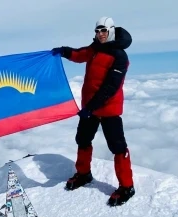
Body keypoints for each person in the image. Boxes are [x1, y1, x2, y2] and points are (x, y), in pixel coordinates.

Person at [52, 16, 135, 206]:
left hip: (108, 109)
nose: (100, 34)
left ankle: (127, 186)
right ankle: (83, 174)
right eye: (97, 31)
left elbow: (110, 87)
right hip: (89, 109)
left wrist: (90, 107)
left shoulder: (119, 56)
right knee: (82, 139)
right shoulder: (94, 49)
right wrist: (64, 51)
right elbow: (80, 54)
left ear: (111, 30)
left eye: (103, 31)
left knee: (118, 147)